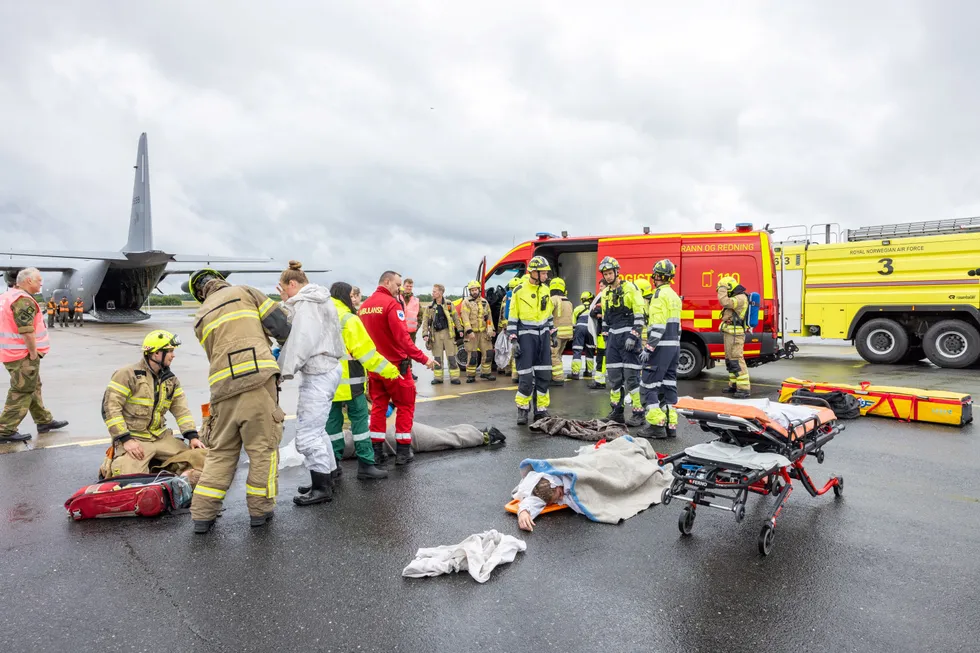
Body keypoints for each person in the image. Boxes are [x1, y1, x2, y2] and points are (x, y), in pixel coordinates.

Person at [181, 268, 292, 534]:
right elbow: (281, 326)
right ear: (219, 279)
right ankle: (260, 511)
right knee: (262, 450)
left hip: (221, 391)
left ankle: (202, 516)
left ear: (200, 293)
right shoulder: (245, 291)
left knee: (221, 454)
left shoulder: (200, 316)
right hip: (257, 384)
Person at [276, 261, 346, 507]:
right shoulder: (321, 299)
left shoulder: (307, 304)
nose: (283, 295)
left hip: (318, 371)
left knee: (306, 435)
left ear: (292, 284)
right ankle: (329, 475)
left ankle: (321, 488)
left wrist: (282, 370)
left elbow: (301, 342)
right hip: (329, 367)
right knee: (318, 430)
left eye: (283, 290)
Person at [98, 330, 203, 477]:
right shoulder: (127, 374)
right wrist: (126, 440)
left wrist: (192, 436)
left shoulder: (170, 380)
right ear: (156, 354)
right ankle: (115, 465)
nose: (173, 355)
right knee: (129, 478)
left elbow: (181, 410)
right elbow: (110, 408)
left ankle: (159, 470)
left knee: (204, 461)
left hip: (160, 437)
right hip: (135, 439)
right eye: (170, 351)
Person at [320, 281, 396, 481]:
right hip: (351, 382)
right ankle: (365, 464)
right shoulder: (349, 319)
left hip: (327, 382)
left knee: (332, 426)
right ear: (346, 296)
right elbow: (368, 355)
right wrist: (391, 371)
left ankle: (333, 465)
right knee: (360, 424)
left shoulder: (320, 317)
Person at [359, 270, 436, 466]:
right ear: (387, 282)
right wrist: (423, 359)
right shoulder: (392, 305)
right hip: (395, 368)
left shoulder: (364, 307)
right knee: (405, 405)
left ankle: (376, 451)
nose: (399, 288)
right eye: (397, 284)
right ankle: (403, 451)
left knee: (378, 407)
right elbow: (403, 340)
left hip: (375, 368)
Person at [0, 268, 68, 443]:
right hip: (22, 354)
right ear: (28, 281)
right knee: (22, 390)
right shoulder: (23, 300)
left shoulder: (7, 296)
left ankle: (43, 421)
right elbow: (27, 331)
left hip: (11, 352)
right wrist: (32, 353)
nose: (41, 283)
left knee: (33, 386)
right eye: (38, 280)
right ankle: (5, 429)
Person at [637, 260, 683, 439]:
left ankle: (656, 427)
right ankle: (671, 425)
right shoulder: (674, 296)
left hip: (660, 347)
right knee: (669, 385)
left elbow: (657, 325)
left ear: (657, 276)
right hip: (674, 346)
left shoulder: (658, 295)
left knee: (649, 385)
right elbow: (677, 325)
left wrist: (649, 348)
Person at [598, 257, 645, 426]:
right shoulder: (605, 293)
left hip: (628, 335)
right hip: (613, 337)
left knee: (632, 377)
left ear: (617, 272)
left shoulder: (630, 288)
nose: (608, 277)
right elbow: (605, 317)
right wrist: (605, 335)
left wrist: (634, 335)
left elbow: (640, 313)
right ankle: (617, 411)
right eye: (605, 274)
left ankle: (639, 413)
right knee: (614, 377)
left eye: (610, 273)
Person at [508, 256, 555, 425]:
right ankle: (522, 410)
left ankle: (541, 410)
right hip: (526, 337)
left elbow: (548, 313)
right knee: (526, 378)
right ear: (533, 272)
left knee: (544, 375)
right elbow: (512, 316)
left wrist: (552, 332)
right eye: (543, 272)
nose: (546, 276)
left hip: (543, 337)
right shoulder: (519, 291)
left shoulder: (545, 289)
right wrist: (513, 339)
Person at [422, 283, 463, 385]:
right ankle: (438, 377)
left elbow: (456, 318)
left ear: (440, 292)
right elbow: (425, 321)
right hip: (435, 335)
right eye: (433, 291)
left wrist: (460, 330)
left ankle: (454, 377)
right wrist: (425, 334)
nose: (433, 293)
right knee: (437, 357)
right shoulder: (430, 307)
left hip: (448, 334)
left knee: (451, 357)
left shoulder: (449, 304)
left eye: (434, 291)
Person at [717, 275, 751, 398]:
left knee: (737, 359)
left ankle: (744, 388)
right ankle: (734, 384)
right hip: (730, 333)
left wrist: (722, 289)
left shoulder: (740, 298)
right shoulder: (737, 297)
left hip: (736, 334)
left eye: (725, 289)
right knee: (730, 360)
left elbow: (724, 302)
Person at [515, 472, 582, 532]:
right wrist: (523, 512)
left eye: (560, 493)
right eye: (556, 500)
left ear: (557, 484)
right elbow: (533, 501)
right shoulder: (540, 492)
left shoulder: (558, 478)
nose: (561, 498)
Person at [460, 280, 496, 383]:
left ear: (479, 290)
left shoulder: (485, 302)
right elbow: (465, 317)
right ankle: (471, 375)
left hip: (484, 332)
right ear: (470, 291)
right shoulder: (466, 302)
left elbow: (489, 317)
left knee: (488, 353)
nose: (474, 292)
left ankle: (486, 373)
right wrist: (469, 331)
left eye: (475, 290)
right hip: (472, 333)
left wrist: (491, 329)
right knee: (472, 355)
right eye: (472, 290)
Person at [548, 277, 574, 386]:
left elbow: (547, 314)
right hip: (567, 333)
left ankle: (558, 378)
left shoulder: (553, 299)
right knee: (558, 355)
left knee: (553, 355)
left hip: (556, 333)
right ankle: (557, 375)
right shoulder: (568, 301)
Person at [497, 277, 523, 382]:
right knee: (514, 350)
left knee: (507, 349)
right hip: (517, 327)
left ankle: (508, 370)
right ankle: (514, 372)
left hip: (507, 327)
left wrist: (501, 327)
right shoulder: (519, 295)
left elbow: (502, 314)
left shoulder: (506, 298)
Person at [570, 290, 596, 380]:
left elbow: (573, 323)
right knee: (590, 351)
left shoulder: (577, 309)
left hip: (580, 328)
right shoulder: (594, 308)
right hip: (591, 330)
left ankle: (575, 373)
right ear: (590, 299)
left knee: (577, 350)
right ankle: (589, 372)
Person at [587, 280, 608, 390]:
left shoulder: (605, 297)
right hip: (602, 333)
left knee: (602, 357)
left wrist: (600, 314)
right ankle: (600, 379)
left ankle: (600, 381)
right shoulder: (602, 297)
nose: (600, 289)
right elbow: (592, 312)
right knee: (601, 357)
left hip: (604, 333)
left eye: (601, 286)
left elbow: (596, 311)